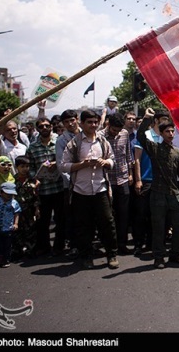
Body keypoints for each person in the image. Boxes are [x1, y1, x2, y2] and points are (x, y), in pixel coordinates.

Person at [59, 109, 119, 270]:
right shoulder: (74, 143)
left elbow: (112, 161)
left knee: (107, 222)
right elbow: (63, 166)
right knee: (83, 226)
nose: (93, 125)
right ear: (82, 123)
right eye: (89, 122)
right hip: (81, 191)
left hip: (100, 189)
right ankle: (86, 256)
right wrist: (83, 165)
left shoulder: (102, 141)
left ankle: (111, 254)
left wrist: (104, 162)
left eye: (95, 122)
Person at [137, 107, 179, 269]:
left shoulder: (176, 151)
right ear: (161, 134)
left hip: (175, 193)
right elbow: (140, 136)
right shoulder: (154, 148)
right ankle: (159, 257)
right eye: (167, 131)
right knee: (159, 227)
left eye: (172, 131)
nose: (171, 134)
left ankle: (175, 254)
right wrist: (147, 119)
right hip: (158, 194)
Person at [132, 110, 170, 256]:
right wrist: (139, 179)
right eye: (162, 119)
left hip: (161, 182)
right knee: (142, 214)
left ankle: (153, 243)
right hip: (146, 180)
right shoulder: (146, 135)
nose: (165, 122)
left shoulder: (166, 136)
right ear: (155, 121)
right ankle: (139, 243)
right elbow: (137, 159)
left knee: (159, 215)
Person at [25, 117, 65, 258]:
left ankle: (59, 247)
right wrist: (35, 177)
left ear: (51, 127)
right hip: (43, 190)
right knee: (43, 221)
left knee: (60, 220)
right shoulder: (32, 148)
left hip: (59, 187)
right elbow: (29, 168)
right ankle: (45, 247)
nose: (44, 128)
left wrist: (56, 164)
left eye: (47, 126)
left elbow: (65, 161)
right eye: (41, 127)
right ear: (37, 129)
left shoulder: (58, 144)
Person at [99, 113, 133, 255]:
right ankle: (109, 245)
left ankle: (122, 244)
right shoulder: (99, 136)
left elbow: (127, 155)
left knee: (123, 214)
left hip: (123, 179)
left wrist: (130, 174)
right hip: (106, 181)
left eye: (118, 130)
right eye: (114, 130)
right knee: (107, 216)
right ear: (108, 125)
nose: (116, 133)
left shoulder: (124, 134)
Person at [55, 109, 81, 258]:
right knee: (72, 216)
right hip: (70, 185)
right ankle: (73, 245)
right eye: (66, 122)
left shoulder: (86, 135)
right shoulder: (61, 141)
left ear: (77, 119)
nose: (70, 124)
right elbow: (61, 165)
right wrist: (72, 182)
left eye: (72, 120)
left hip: (89, 183)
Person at [12, 155, 39, 261]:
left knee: (31, 231)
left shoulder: (32, 180)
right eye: (22, 166)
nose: (25, 169)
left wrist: (37, 209)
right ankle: (17, 252)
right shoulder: (13, 180)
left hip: (29, 209)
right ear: (17, 167)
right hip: (18, 211)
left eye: (27, 166)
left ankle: (30, 251)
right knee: (18, 232)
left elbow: (36, 196)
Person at [0, 182, 21, 270]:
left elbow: (17, 213)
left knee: (7, 245)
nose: (9, 196)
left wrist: (16, 223)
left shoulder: (14, 202)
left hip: (8, 228)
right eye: (7, 193)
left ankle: (5, 260)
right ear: (1, 192)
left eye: (11, 194)